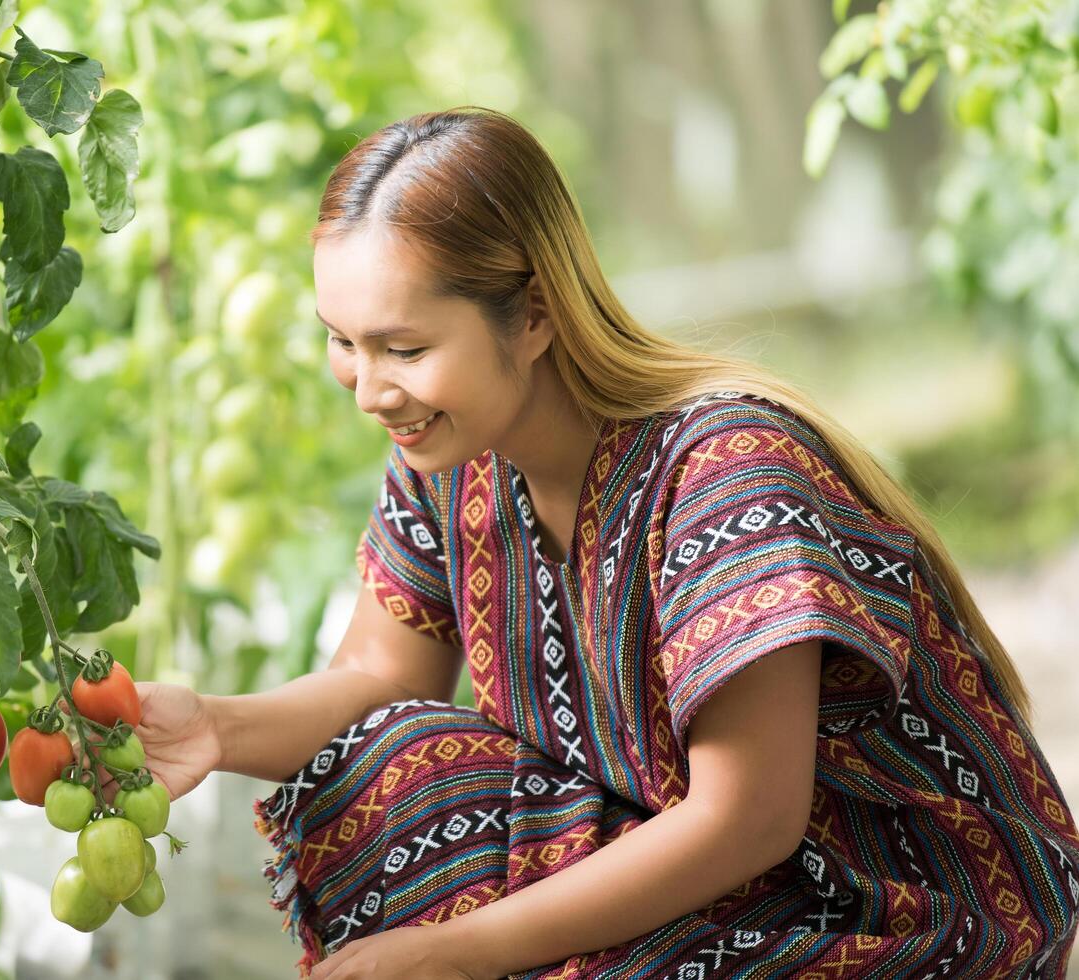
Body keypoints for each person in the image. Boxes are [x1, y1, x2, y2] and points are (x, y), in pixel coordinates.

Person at [112, 107, 1079, 979]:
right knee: (377, 776)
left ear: (531, 315)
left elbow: (747, 816)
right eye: (342, 341)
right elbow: (377, 679)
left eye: (403, 349)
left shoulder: (726, 466)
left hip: (880, 903)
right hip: (677, 850)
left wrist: (460, 950)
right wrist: (213, 726)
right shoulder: (448, 456)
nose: (368, 389)